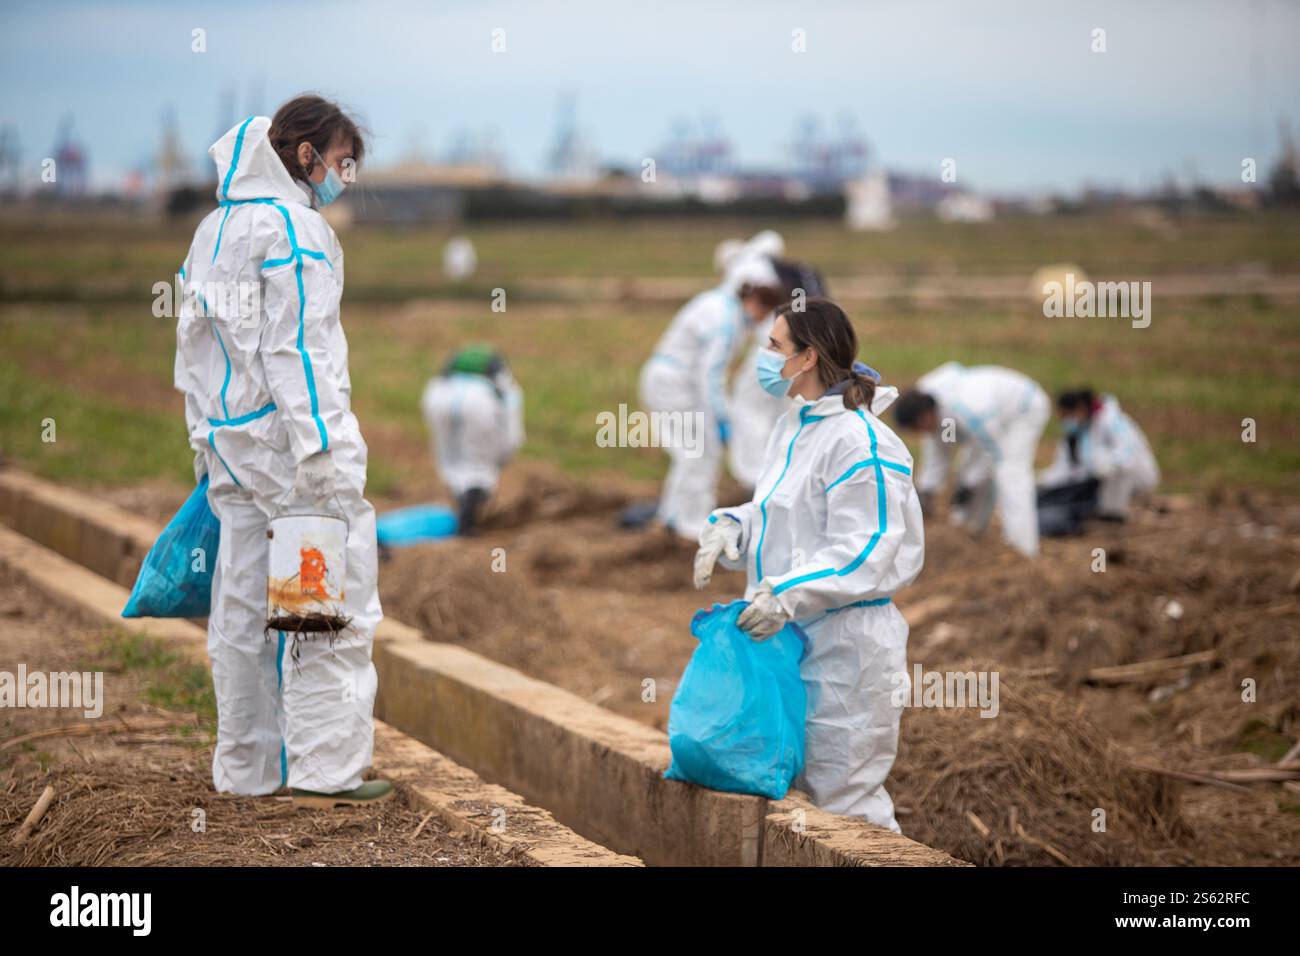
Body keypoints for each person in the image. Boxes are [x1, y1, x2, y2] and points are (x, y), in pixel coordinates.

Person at [174, 96, 389, 806]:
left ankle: (245, 771)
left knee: (238, 614)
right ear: (306, 156)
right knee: (320, 612)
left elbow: (193, 348)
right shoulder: (297, 229)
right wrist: (321, 447)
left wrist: (205, 440)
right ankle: (326, 771)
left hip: (232, 448)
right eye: (342, 162)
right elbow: (299, 346)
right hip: (293, 454)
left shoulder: (214, 229)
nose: (344, 178)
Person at [693, 298, 924, 833]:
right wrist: (734, 525)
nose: (765, 356)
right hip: (789, 637)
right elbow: (784, 514)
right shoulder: (796, 425)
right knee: (794, 791)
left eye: (775, 346)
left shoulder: (862, 444)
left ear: (807, 358)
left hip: (846, 648)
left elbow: (864, 550)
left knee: (843, 800)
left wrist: (784, 594)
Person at [637, 251, 784, 539]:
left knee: (692, 453)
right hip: (674, 385)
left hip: (670, 382)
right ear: (754, 300)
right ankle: (689, 526)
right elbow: (709, 374)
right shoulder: (725, 320)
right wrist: (722, 416)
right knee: (699, 453)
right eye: (763, 312)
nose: (759, 321)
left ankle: (672, 517)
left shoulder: (717, 304)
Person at [894, 362, 1050, 558]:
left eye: (917, 429)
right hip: (986, 426)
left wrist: (968, 483)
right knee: (968, 473)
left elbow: (994, 453)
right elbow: (937, 455)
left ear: (925, 417)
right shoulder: (930, 407)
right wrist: (925, 491)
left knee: (1010, 474)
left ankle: (1023, 549)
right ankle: (969, 534)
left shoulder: (971, 409)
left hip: (1021, 411)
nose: (920, 434)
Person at [727, 256, 831, 491]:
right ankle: (786, 477)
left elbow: (748, 401)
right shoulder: (795, 292)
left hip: (777, 345)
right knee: (785, 413)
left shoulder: (747, 270)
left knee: (749, 407)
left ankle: (755, 481)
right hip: (801, 354)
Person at [420, 344, 525, 534]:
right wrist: (503, 457)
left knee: (451, 460)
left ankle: (463, 512)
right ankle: (467, 524)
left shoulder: (448, 371)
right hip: (479, 403)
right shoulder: (507, 382)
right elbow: (512, 431)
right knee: (478, 466)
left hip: (437, 396)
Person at [1037, 388, 1159, 536]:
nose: (1064, 421)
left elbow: (1127, 456)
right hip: (1100, 482)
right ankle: (1098, 511)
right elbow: (1064, 469)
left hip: (1134, 478)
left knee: (1109, 465)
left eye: (1066, 415)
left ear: (1080, 409)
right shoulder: (1074, 435)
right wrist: (1041, 482)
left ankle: (1112, 517)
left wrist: (1101, 464)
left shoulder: (1112, 421)